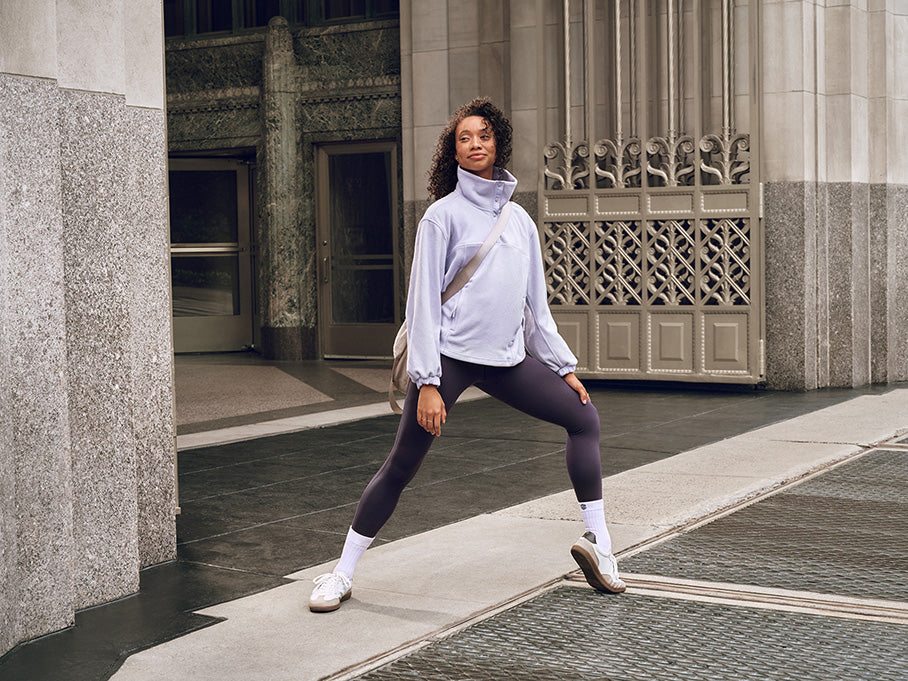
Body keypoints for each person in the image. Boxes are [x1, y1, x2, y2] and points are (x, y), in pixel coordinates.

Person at [308, 98, 625, 613]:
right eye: (463, 138)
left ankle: (601, 547)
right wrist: (428, 382)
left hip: (506, 359)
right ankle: (341, 573)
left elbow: (535, 308)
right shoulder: (441, 216)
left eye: (483, 135)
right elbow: (423, 305)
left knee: (584, 418)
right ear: (452, 151)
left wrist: (563, 367)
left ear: (497, 141)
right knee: (400, 467)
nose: (475, 144)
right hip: (450, 359)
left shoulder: (520, 222)